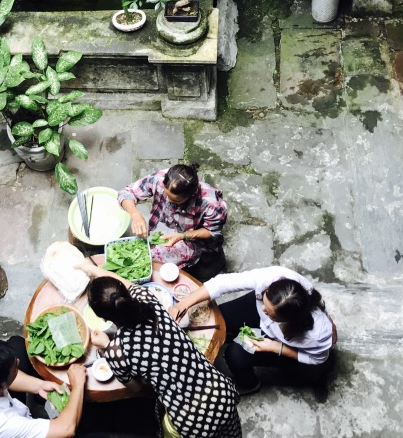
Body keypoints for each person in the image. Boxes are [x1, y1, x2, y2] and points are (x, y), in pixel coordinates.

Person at [76, 260, 242, 438]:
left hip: (191, 418)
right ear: (125, 296)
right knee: (230, 434)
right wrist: (93, 269)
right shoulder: (147, 299)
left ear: (103, 319)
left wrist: (107, 346)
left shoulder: (117, 351)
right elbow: (123, 283)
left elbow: (135, 387)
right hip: (221, 390)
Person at [171, 266, 336, 397]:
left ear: (286, 320)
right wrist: (183, 304)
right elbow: (222, 283)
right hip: (270, 320)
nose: (263, 308)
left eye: (269, 312)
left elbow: (317, 358)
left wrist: (274, 347)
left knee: (234, 355)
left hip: (282, 344)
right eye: (264, 300)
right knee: (217, 321)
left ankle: (249, 385)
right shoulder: (274, 278)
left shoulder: (317, 334)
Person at [0, 337, 87, 438]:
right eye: (15, 367)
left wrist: (39, 385)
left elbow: (6, 379)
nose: (18, 362)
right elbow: (67, 428)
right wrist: (78, 384)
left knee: (17, 344)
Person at [117, 163, 227, 270]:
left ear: (191, 194)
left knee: (155, 262)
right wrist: (135, 214)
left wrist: (182, 236)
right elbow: (126, 192)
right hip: (164, 223)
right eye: (166, 195)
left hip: (193, 236)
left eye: (175, 200)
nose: (168, 201)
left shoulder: (211, 204)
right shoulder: (160, 179)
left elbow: (212, 231)